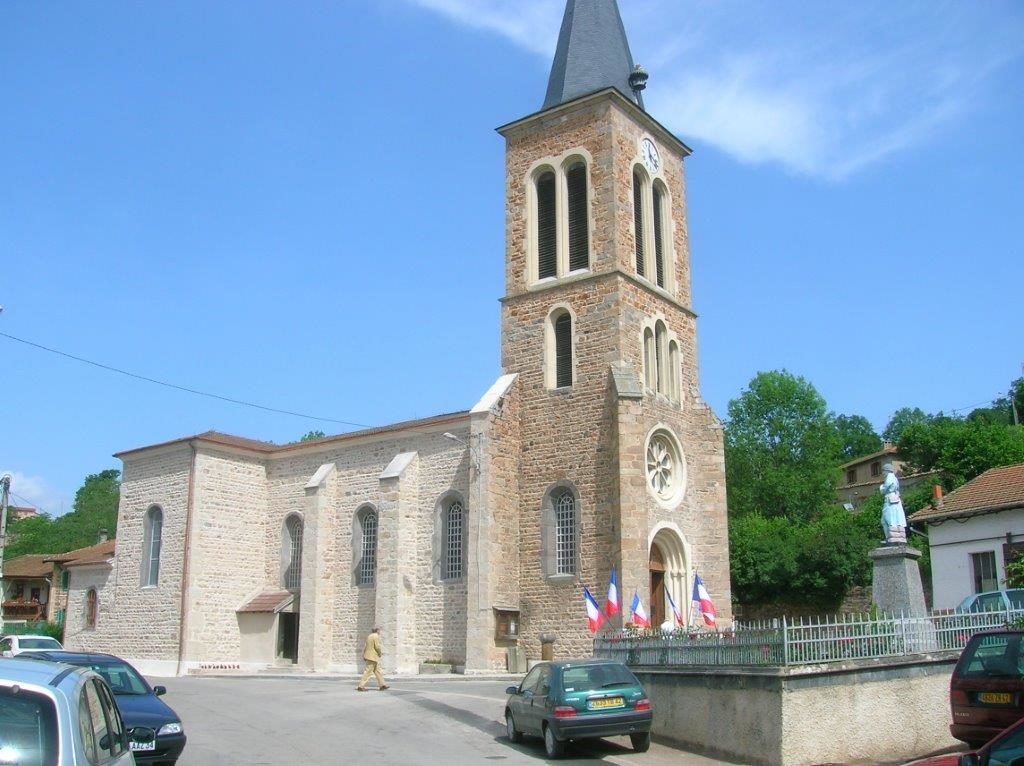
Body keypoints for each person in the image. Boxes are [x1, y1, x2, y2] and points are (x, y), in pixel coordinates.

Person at [879, 463, 907, 544]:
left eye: (883, 471)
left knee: (887, 520)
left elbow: (883, 490)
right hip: (894, 499)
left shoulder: (889, 478)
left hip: (890, 500)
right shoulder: (894, 478)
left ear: (886, 471)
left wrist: (881, 487)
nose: (883, 473)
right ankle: (894, 537)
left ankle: (890, 538)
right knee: (893, 519)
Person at [356, 626, 389, 691]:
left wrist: (364, 655)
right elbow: (377, 647)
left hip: (369, 656)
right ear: (377, 630)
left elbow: (365, 646)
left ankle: (382, 685)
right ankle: (361, 686)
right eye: (379, 630)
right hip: (372, 657)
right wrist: (380, 653)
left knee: (378, 671)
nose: (380, 632)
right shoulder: (376, 636)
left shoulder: (369, 636)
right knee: (368, 672)